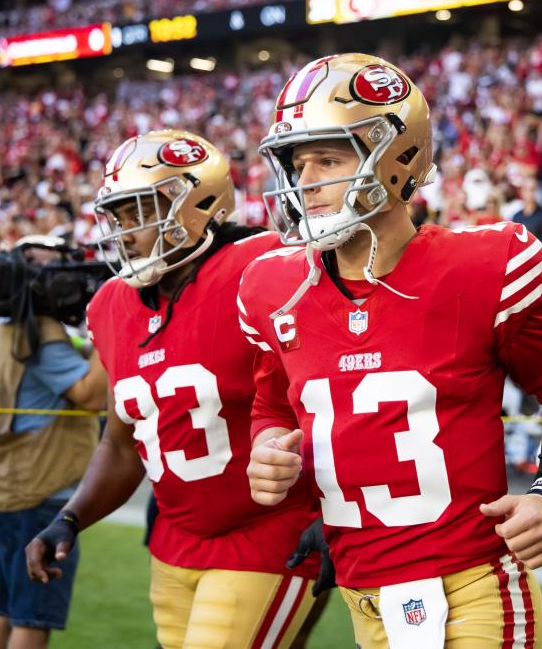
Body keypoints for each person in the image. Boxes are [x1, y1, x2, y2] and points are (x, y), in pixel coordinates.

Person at [241, 53, 542, 648]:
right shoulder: (270, 287)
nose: (304, 182)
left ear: (398, 158)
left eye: (327, 160)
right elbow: (274, 406)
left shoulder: (484, 267)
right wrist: (266, 447)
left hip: (474, 585)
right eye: (296, 162)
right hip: (363, 593)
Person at [25, 130, 323, 649]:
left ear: (199, 203)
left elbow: (333, 393)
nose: (124, 231)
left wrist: (338, 511)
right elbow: (121, 443)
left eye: (138, 211)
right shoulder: (112, 305)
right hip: (174, 542)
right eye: (116, 216)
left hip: (271, 529)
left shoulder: (266, 267)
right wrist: (70, 518)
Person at [0, 235, 108, 649]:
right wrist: (116, 325)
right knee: (32, 616)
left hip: (1, 487)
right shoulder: (39, 331)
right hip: (37, 491)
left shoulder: (7, 322)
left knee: (4, 604)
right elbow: (91, 395)